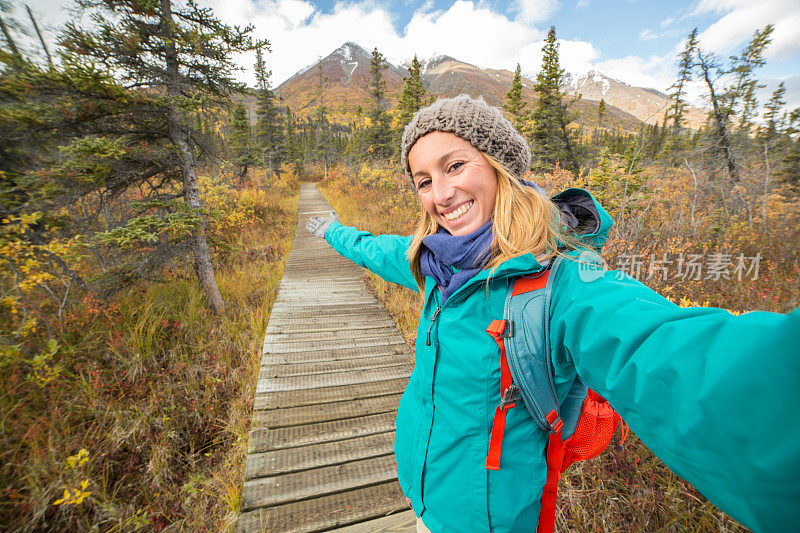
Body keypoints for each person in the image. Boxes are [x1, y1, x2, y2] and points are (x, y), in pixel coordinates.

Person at [306, 95, 800, 533]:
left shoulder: (565, 282)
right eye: (423, 180)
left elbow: (670, 354)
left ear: (501, 166)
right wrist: (331, 231)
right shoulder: (432, 260)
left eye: (454, 166)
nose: (439, 195)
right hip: (423, 495)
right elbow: (373, 248)